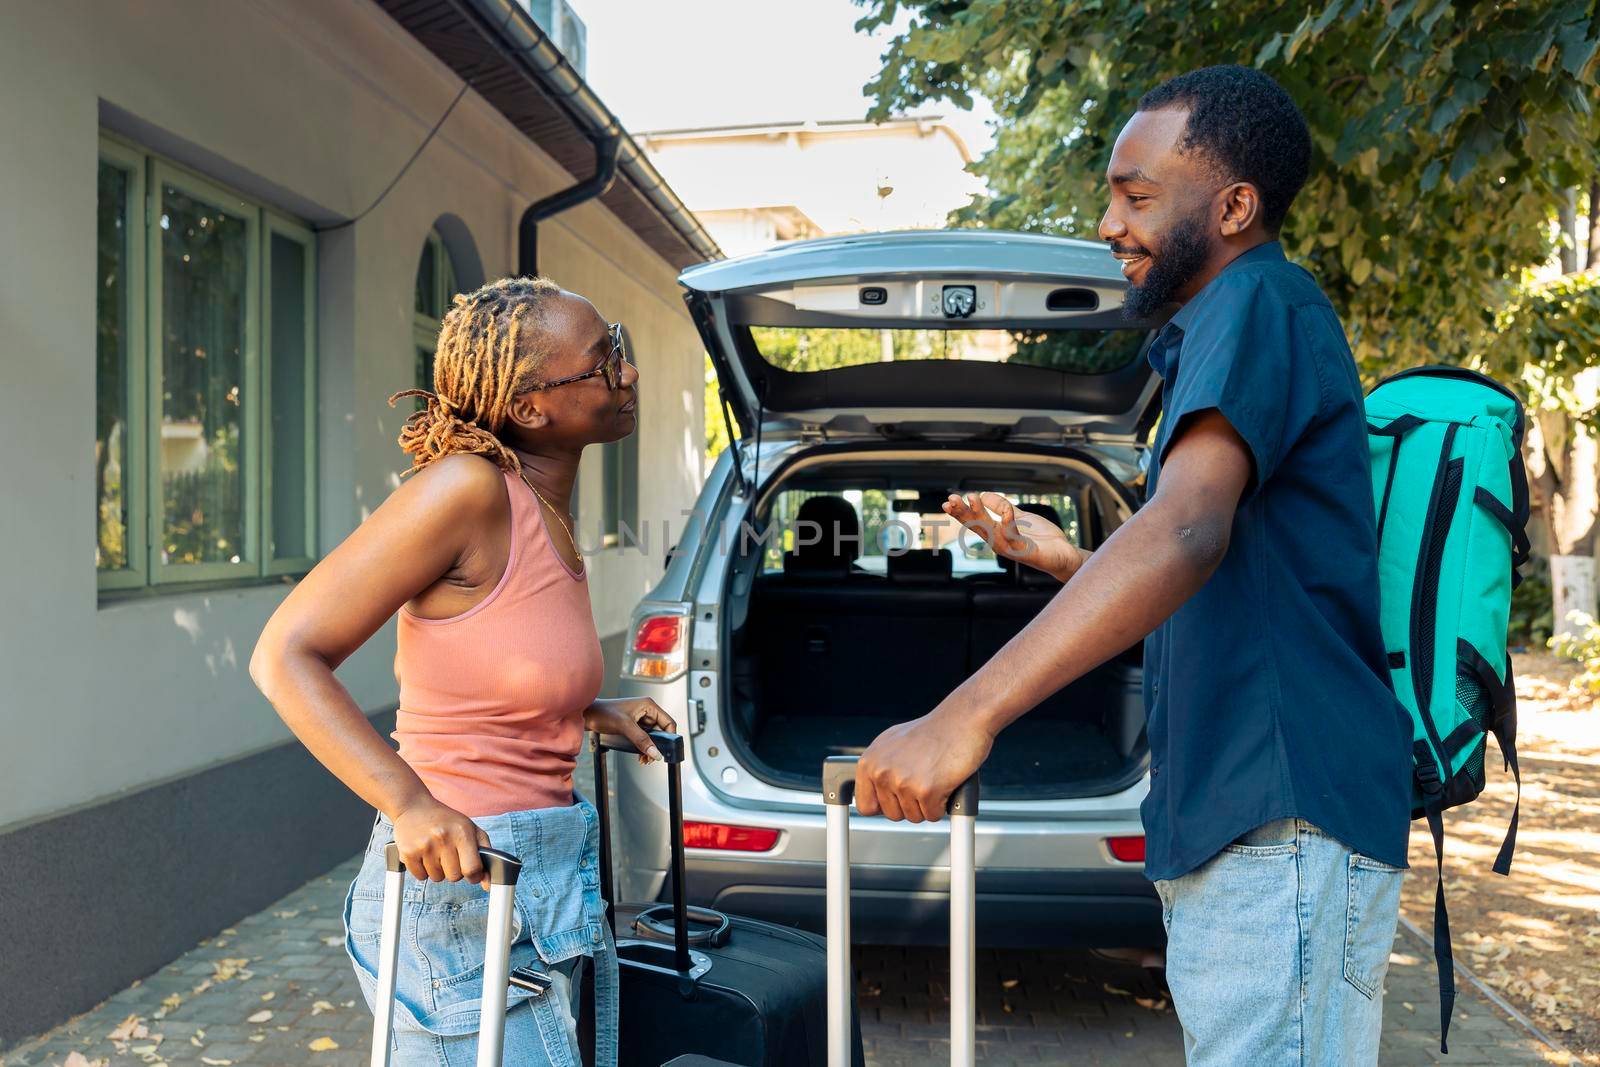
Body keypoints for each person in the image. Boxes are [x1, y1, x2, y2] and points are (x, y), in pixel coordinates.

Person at [854, 66, 1412, 1066]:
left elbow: (1187, 531)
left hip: (1278, 813)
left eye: (1138, 195)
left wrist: (961, 714)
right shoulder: (1222, 326)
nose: (1109, 220)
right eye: (1112, 193)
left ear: (1234, 205)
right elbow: (1226, 576)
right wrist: (1068, 556)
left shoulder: (1256, 302)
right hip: (1244, 820)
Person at [250, 276, 672, 1066]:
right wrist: (407, 801)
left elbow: (492, 667)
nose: (629, 371)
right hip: (460, 895)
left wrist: (586, 707)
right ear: (530, 407)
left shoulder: (542, 506)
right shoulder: (467, 490)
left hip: (538, 880)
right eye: (605, 356)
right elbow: (284, 654)